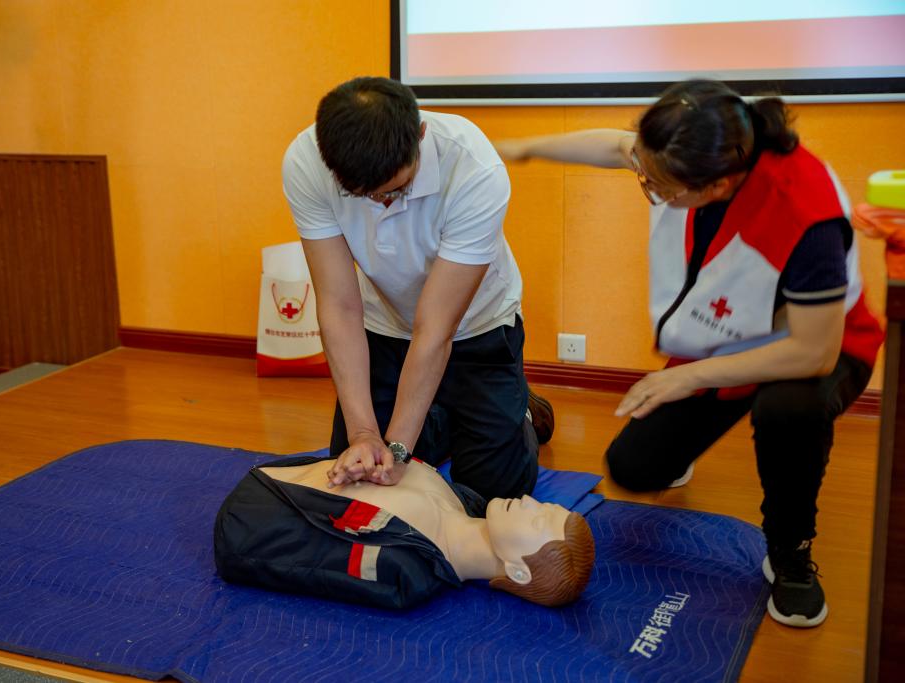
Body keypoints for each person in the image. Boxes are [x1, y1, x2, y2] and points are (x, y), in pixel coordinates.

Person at [494, 79, 884, 628]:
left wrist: (688, 377)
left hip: (820, 348)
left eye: (658, 187)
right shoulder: (696, 148)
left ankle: (790, 553)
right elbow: (617, 147)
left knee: (788, 411)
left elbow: (813, 353)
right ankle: (689, 440)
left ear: (717, 184)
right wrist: (522, 148)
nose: (647, 188)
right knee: (633, 468)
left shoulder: (808, 214)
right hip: (728, 341)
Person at [282, 76, 554, 502]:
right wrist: (364, 433)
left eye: (395, 189)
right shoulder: (306, 162)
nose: (382, 204)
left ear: (420, 135)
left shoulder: (473, 168)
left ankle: (520, 411)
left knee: (489, 497)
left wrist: (397, 449)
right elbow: (339, 304)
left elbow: (435, 328)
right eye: (364, 196)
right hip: (384, 323)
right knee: (359, 479)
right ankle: (439, 413)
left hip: (476, 327)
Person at [214, 455, 594, 609]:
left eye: (537, 520)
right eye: (543, 506)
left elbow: (299, 554)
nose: (528, 500)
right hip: (270, 479)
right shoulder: (463, 499)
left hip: (248, 512)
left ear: (518, 571)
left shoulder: (403, 569)